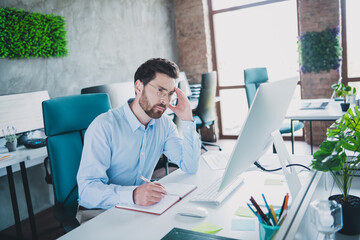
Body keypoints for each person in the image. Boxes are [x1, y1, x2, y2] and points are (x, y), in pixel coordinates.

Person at [76, 58, 201, 217]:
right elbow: (87, 192)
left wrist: (188, 120)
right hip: (101, 212)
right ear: (138, 86)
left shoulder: (164, 124)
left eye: (170, 94)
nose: (165, 101)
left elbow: (190, 166)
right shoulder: (104, 126)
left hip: (139, 209)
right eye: (160, 91)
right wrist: (133, 195)